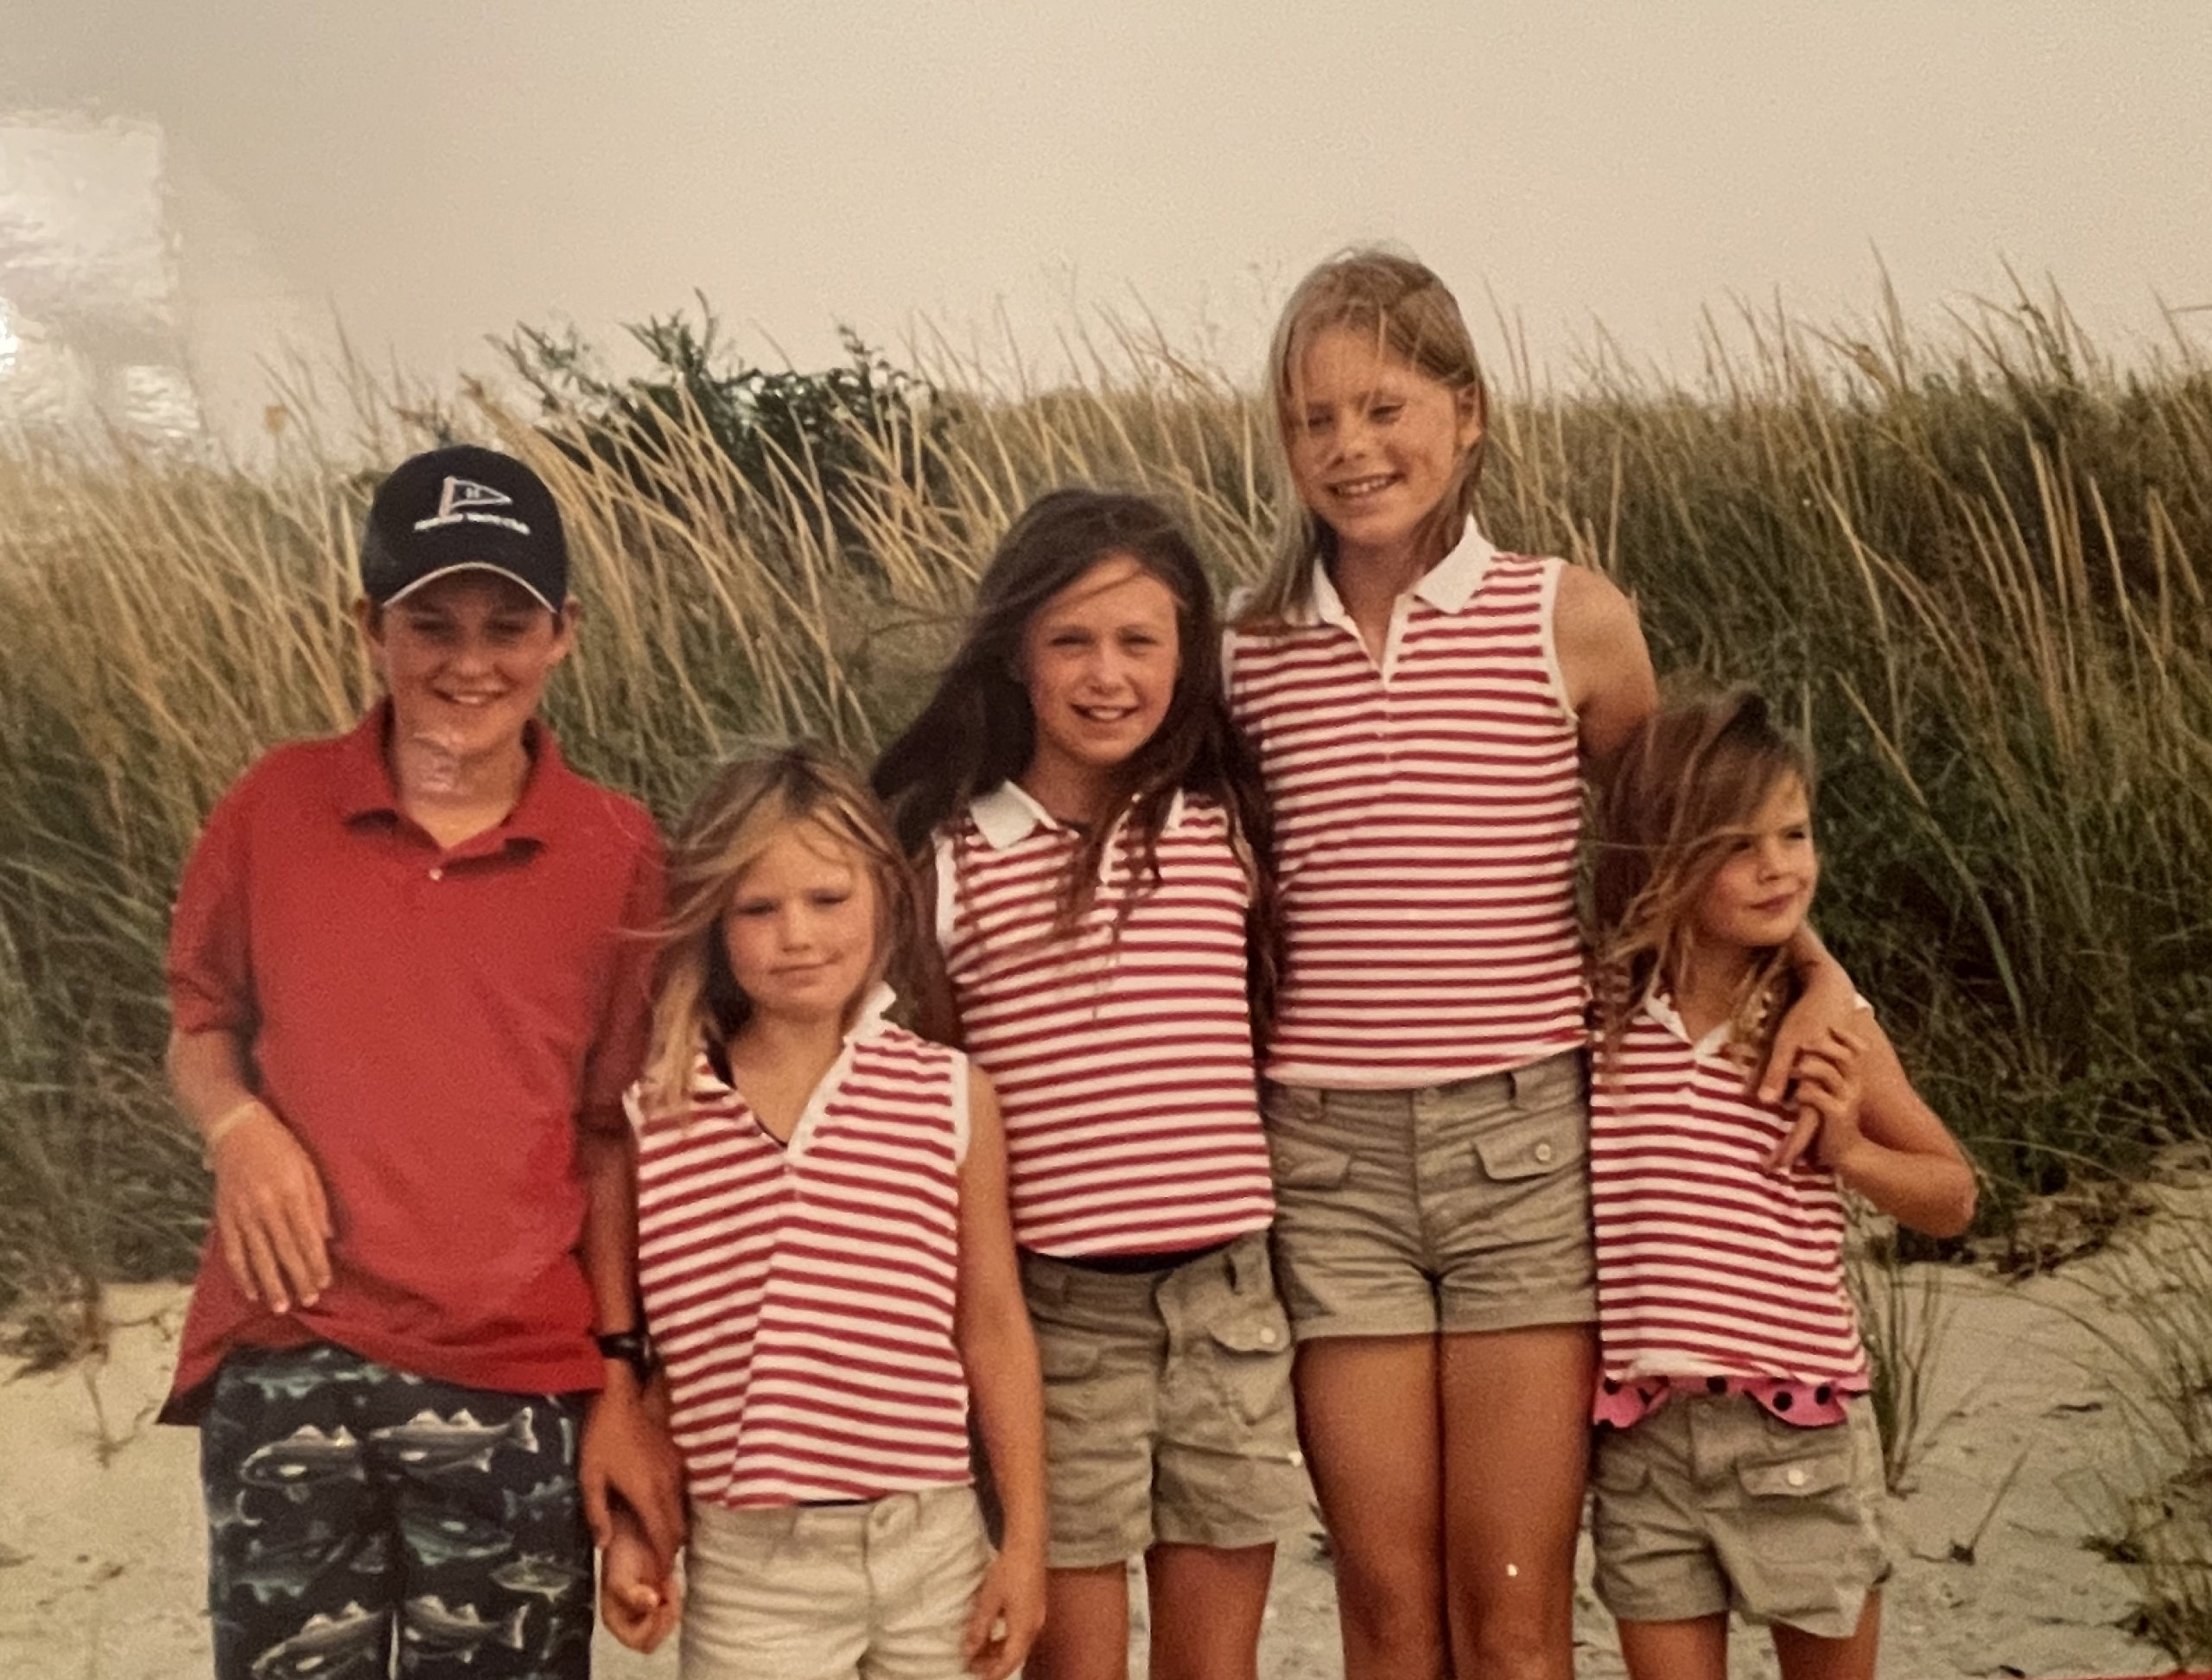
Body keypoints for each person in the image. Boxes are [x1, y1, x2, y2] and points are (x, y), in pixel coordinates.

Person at [1224, 249, 1860, 1680]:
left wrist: (1827, 974)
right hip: (1324, 1164)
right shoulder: (1243, 655)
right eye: (1314, 418)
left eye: (1384, 407)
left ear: (1467, 412)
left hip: (1524, 1150)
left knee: (1512, 1616)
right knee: (1389, 1610)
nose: (1350, 446)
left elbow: (1687, 853)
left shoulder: (1564, 616)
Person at [161, 442, 683, 1679]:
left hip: (513, 1370)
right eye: (429, 624)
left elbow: (611, 1135)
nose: (468, 663)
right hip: (290, 1347)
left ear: (563, 633)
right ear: (369, 627)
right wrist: (239, 1129)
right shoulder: (274, 805)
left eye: (508, 625)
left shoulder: (617, 849)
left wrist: (622, 1380)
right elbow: (200, 1025)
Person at [872, 488, 1306, 1680]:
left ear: (1186, 655)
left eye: (1137, 641)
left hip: (1228, 1309)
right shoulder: (951, 859)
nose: (1106, 675)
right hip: (1056, 1325)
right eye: (1071, 640)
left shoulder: (1221, 830)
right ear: (1017, 654)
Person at [600, 745, 1047, 1680]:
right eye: (758, 909)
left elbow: (993, 1325)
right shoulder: (661, 1112)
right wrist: (641, 1536)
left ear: (884, 891)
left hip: (933, 1544)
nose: (797, 935)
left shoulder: (948, 1094)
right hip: (753, 1567)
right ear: (713, 922)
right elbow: (662, 1364)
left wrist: (1026, 1542)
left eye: (828, 898)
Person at [1585, 690, 1976, 1679]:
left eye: (1794, 834)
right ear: (1664, 857)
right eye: (1738, 845)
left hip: (1794, 1425)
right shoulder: (1599, 1014)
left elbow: (1952, 1196)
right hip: (1640, 1437)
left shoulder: (1827, 1023)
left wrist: (1849, 1153)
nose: (1779, 866)